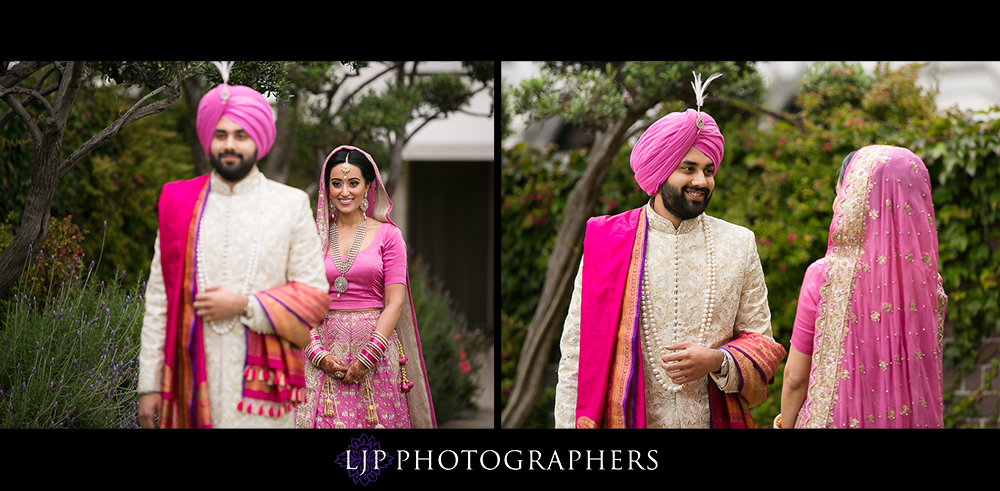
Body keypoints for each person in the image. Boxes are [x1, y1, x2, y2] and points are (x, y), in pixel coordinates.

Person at [554, 73, 786, 428]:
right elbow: (577, 352)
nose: (701, 181)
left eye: (708, 170)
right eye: (688, 168)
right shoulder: (609, 241)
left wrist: (718, 361)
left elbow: (763, 344)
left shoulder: (738, 243)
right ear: (659, 173)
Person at [137, 79, 330, 428]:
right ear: (208, 138)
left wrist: (244, 305)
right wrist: (149, 385)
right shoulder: (179, 204)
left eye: (241, 135)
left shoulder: (290, 204)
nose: (230, 144)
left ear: (259, 140)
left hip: (261, 396)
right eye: (221, 134)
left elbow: (315, 298)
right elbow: (159, 302)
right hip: (190, 382)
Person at [778, 145, 947, 428]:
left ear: (855, 201)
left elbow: (795, 379)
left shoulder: (824, 275)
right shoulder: (928, 285)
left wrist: (784, 423)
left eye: (839, 194)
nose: (836, 205)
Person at [294, 145, 435, 429]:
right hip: (323, 354)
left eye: (353, 182)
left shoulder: (389, 235)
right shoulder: (313, 237)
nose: (344, 191)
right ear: (327, 189)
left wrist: (369, 355)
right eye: (337, 183)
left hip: (376, 355)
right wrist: (317, 353)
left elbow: (395, 302)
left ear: (368, 186)